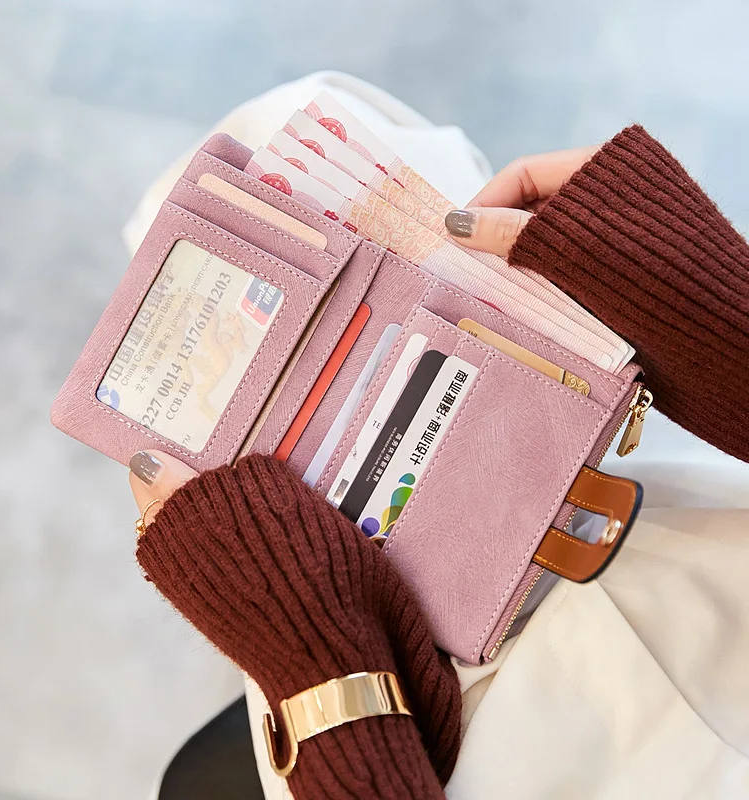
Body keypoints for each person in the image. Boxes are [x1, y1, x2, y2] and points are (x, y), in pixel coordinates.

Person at [128, 125, 749, 799]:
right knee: (248, 185)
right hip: (688, 580)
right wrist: (730, 329)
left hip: (438, 725)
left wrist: (315, 663)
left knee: (207, 204)